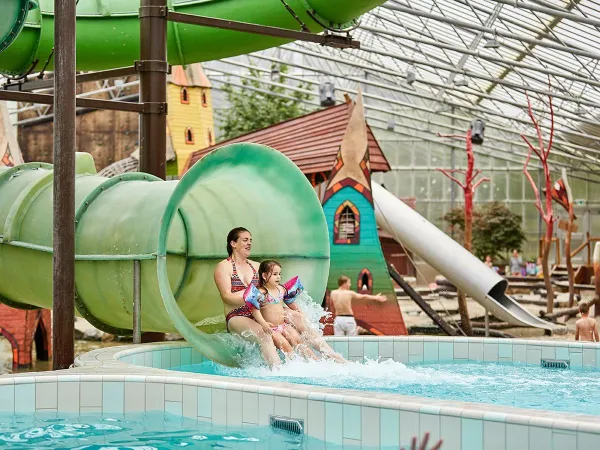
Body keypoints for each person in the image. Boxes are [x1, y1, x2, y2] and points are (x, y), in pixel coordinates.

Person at [214, 227, 285, 367]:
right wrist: (252, 296)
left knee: (291, 325)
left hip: (259, 313)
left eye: (250, 240)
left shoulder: (257, 266)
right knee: (265, 335)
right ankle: (278, 373)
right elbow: (226, 297)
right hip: (237, 315)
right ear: (233, 244)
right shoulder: (224, 267)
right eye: (245, 240)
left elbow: (272, 290)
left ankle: (314, 362)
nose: (249, 243)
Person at [244, 260, 318, 360]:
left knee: (298, 341)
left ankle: (314, 361)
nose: (278, 277)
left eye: (279, 274)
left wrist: (298, 311)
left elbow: (289, 302)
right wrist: (263, 323)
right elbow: (255, 310)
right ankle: (292, 366)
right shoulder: (261, 292)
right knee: (286, 346)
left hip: (283, 325)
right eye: (275, 274)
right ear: (265, 276)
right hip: (272, 329)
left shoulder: (281, 289)